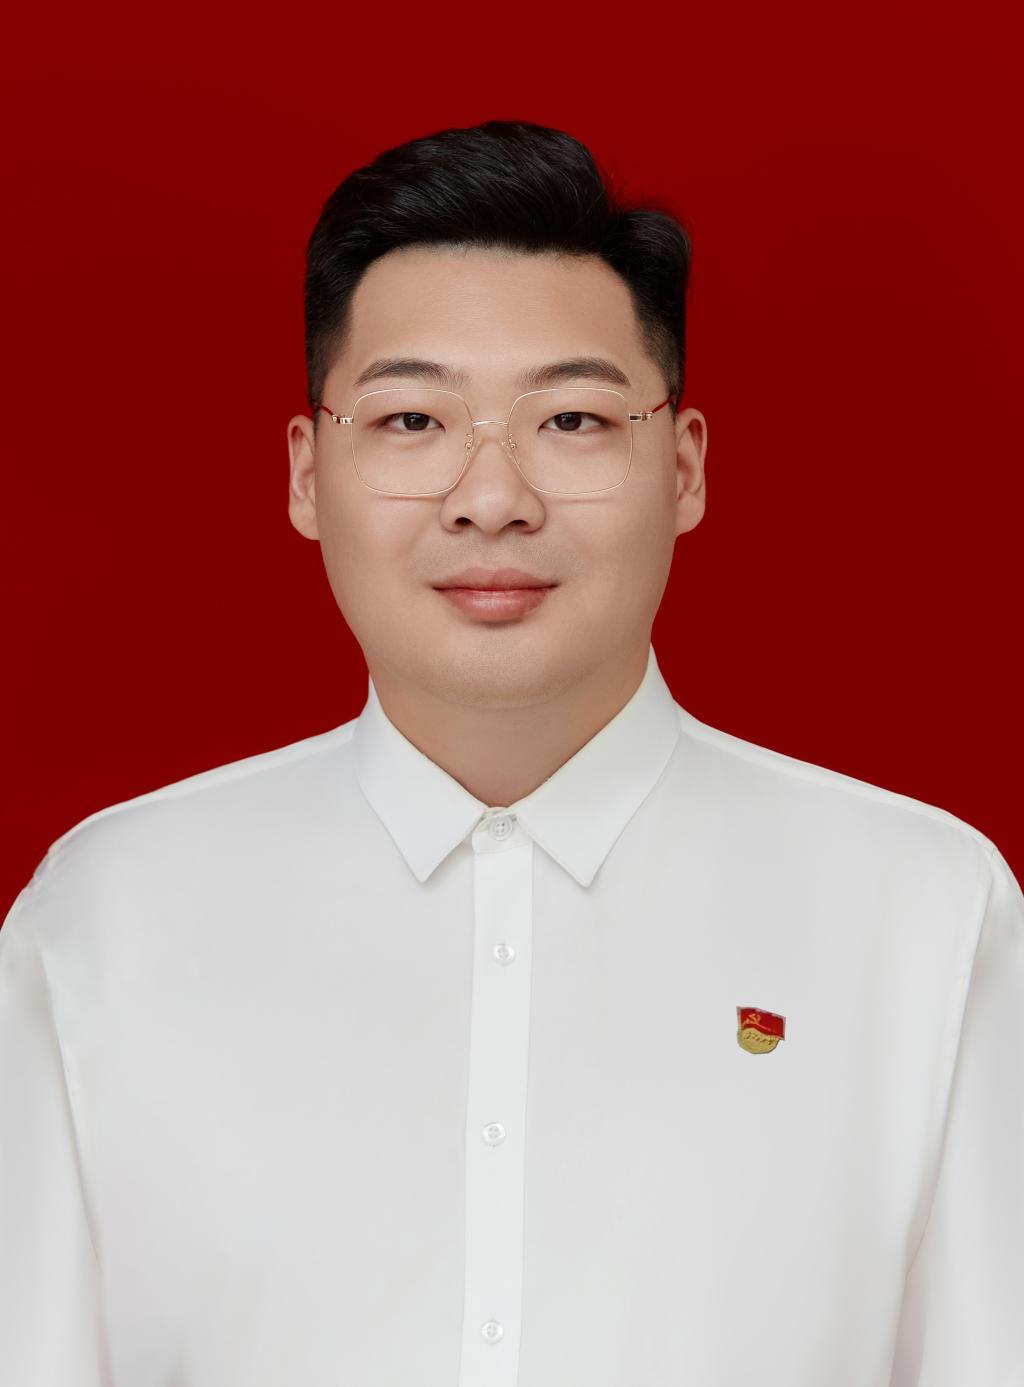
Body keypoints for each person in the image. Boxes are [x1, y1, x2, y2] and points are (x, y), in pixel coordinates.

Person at [1, 119, 1020, 1387]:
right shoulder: (110, 917)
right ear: (308, 474)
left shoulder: (920, 913)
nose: (491, 498)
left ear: (683, 466)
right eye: (413, 418)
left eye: (572, 419)